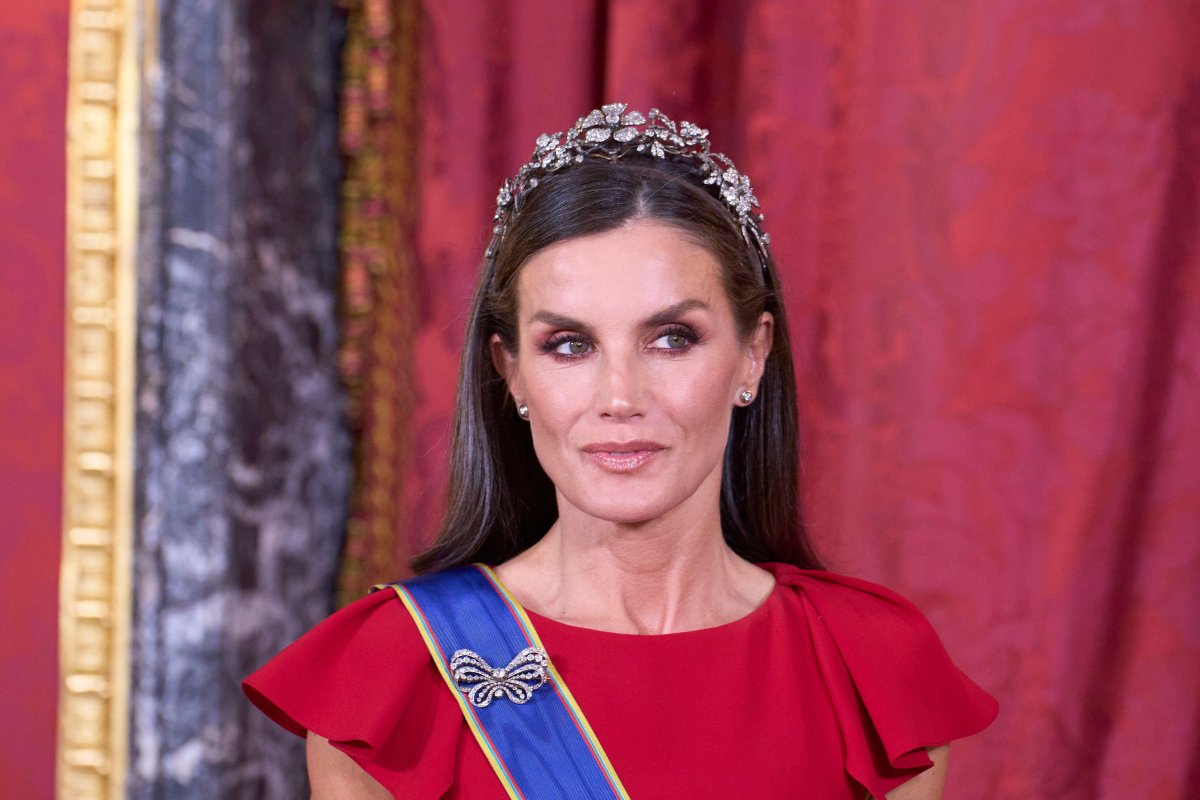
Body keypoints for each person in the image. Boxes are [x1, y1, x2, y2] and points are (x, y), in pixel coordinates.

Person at [244, 104, 998, 799]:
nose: (619, 396)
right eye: (569, 345)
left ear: (753, 355)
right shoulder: (393, 674)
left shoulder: (869, 667)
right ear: (512, 372)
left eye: (672, 339)